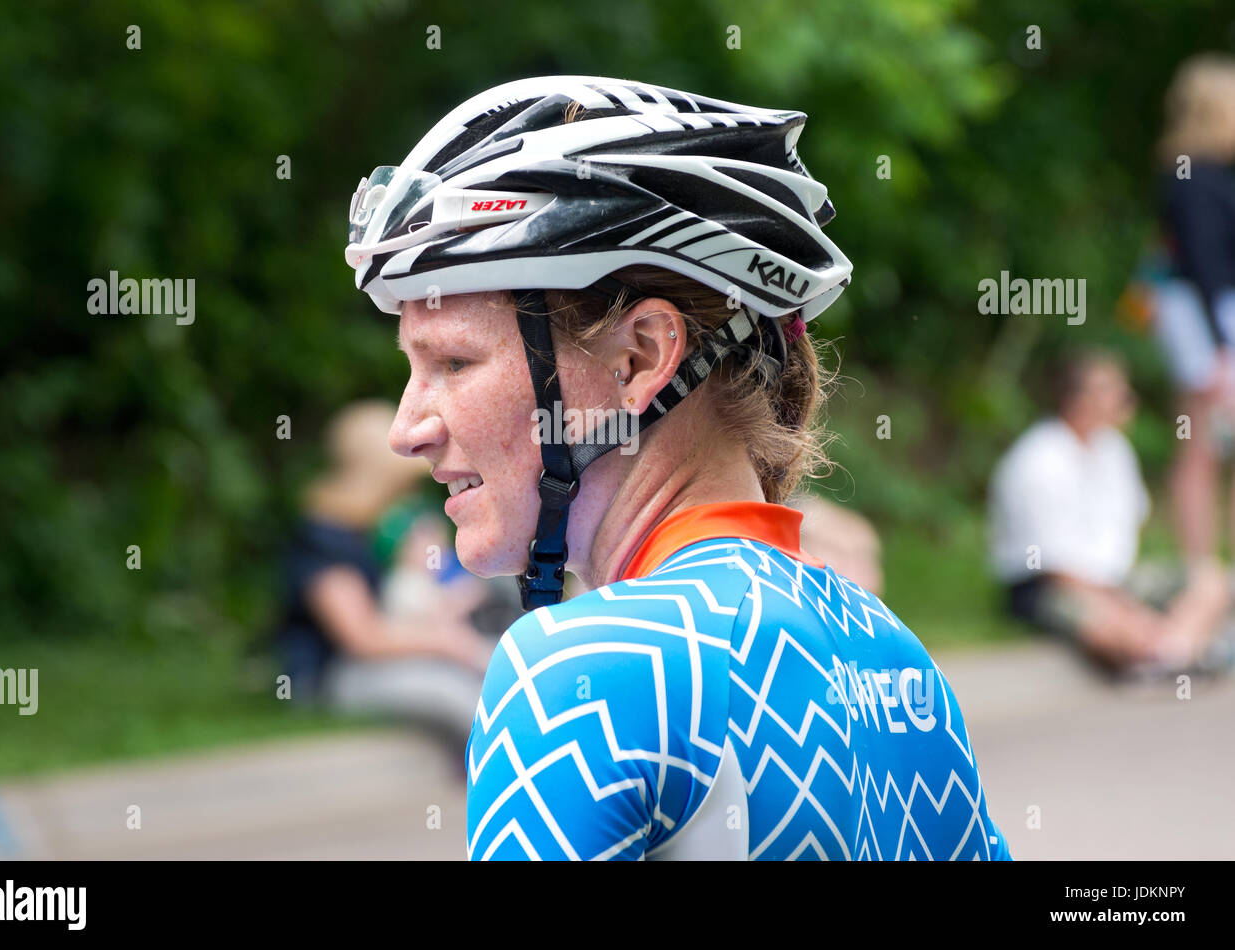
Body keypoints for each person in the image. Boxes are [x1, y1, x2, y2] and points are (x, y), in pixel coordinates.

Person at [343, 76, 1011, 860]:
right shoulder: (895, 657)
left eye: (454, 362)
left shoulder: (587, 670)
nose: (406, 430)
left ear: (642, 357)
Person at [988, 348, 1232, 676]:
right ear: (1075, 399)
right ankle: (1177, 652)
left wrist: (1127, 600)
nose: (1125, 397)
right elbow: (1054, 566)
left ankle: (1167, 654)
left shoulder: (1115, 449)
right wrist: (1126, 608)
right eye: (1110, 389)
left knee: (1212, 580)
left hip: (1114, 581)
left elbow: (1126, 530)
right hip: (1048, 586)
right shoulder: (1037, 460)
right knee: (1105, 623)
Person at [272, 400, 495, 757]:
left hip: (374, 663)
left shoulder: (368, 530)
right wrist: (447, 643)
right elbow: (364, 638)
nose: (408, 496)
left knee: (488, 666)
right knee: (449, 691)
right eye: (401, 484)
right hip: (331, 675)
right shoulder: (325, 538)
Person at [1152, 54, 1235, 565]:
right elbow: (1205, 265)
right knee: (1201, 443)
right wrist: (1221, 345)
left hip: (1211, 315)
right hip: (1204, 318)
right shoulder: (1192, 179)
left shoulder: (1211, 175)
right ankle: (1201, 562)